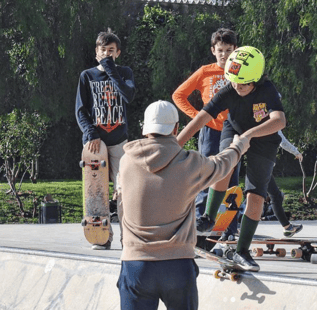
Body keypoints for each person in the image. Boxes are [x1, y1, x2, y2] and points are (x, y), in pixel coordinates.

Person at [117, 100, 249, 310]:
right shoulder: (190, 163)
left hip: (136, 264)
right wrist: (239, 146)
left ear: (145, 128)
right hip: (178, 265)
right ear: (176, 128)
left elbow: (122, 203)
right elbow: (222, 165)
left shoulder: (126, 162)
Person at [177, 46, 286, 271]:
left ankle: (242, 251)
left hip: (263, 138)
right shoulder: (229, 89)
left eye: (244, 83)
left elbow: (279, 121)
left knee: (255, 196)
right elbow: (199, 119)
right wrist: (172, 145)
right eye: (234, 81)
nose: (238, 87)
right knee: (224, 164)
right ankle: (208, 216)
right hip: (233, 130)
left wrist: (249, 135)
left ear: (256, 78)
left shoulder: (267, 90)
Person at [75, 28, 136, 250]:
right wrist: (90, 133)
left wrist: (111, 70)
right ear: (96, 52)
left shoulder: (125, 72)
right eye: (104, 50)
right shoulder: (87, 76)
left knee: (124, 190)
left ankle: (127, 238)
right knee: (97, 192)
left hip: (119, 141)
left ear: (118, 53)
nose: (108, 54)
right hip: (95, 144)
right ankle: (102, 235)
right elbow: (81, 110)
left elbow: (128, 95)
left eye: (112, 51)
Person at [172, 28, 240, 221]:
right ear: (213, 50)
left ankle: (230, 226)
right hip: (210, 131)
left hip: (234, 132)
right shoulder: (205, 71)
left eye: (228, 50)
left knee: (231, 177)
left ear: (235, 50)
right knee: (205, 174)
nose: (224, 55)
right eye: (220, 50)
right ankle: (202, 221)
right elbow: (178, 95)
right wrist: (197, 118)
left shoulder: (240, 72)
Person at [261, 131, 304, 237]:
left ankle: (287, 227)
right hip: (262, 165)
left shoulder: (259, 118)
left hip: (260, 165)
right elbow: (283, 141)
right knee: (274, 196)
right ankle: (287, 227)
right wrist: (296, 152)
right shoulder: (271, 120)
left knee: (271, 195)